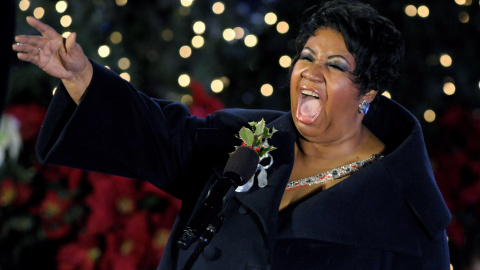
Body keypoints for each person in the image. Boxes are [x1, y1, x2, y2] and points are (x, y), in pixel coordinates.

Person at [12, 0, 451, 269]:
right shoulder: (247, 137)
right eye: (306, 56)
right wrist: (82, 77)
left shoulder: (407, 219)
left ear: (367, 93)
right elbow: (164, 138)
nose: (311, 73)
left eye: (335, 66)